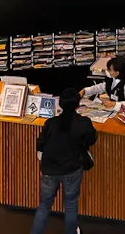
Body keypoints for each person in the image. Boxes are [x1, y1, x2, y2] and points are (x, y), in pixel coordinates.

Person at [30, 88, 97, 234]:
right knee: (71, 204)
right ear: (78, 104)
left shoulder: (51, 122)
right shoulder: (83, 122)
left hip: (49, 169)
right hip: (71, 169)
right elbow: (91, 140)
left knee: (44, 206)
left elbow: (40, 144)